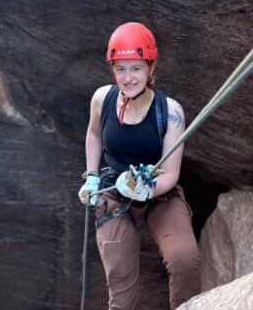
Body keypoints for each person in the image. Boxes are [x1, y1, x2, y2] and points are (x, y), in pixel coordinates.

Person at [78, 22, 200, 310]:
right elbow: (94, 133)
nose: (128, 77)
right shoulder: (102, 99)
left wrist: (147, 188)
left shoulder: (170, 112)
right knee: (121, 283)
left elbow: (170, 174)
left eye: (136, 68)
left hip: (158, 193)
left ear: (150, 68)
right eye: (121, 68)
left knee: (185, 260)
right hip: (114, 194)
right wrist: (93, 176)